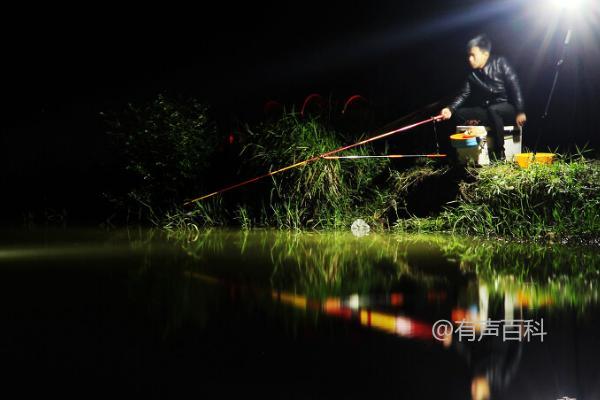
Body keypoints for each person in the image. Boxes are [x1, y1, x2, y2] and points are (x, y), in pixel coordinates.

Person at [440, 34, 527, 161]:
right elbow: (464, 94)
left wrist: (520, 111)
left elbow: (515, 86)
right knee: (460, 114)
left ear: (485, 54)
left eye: (473, 55)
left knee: (494, 110)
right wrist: (450, 109)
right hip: (488, 111)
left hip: (506, 108)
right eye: (468, 55)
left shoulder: (500, 62)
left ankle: (499, 154)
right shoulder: (472, 75)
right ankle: (464, 153)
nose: (470, 59)